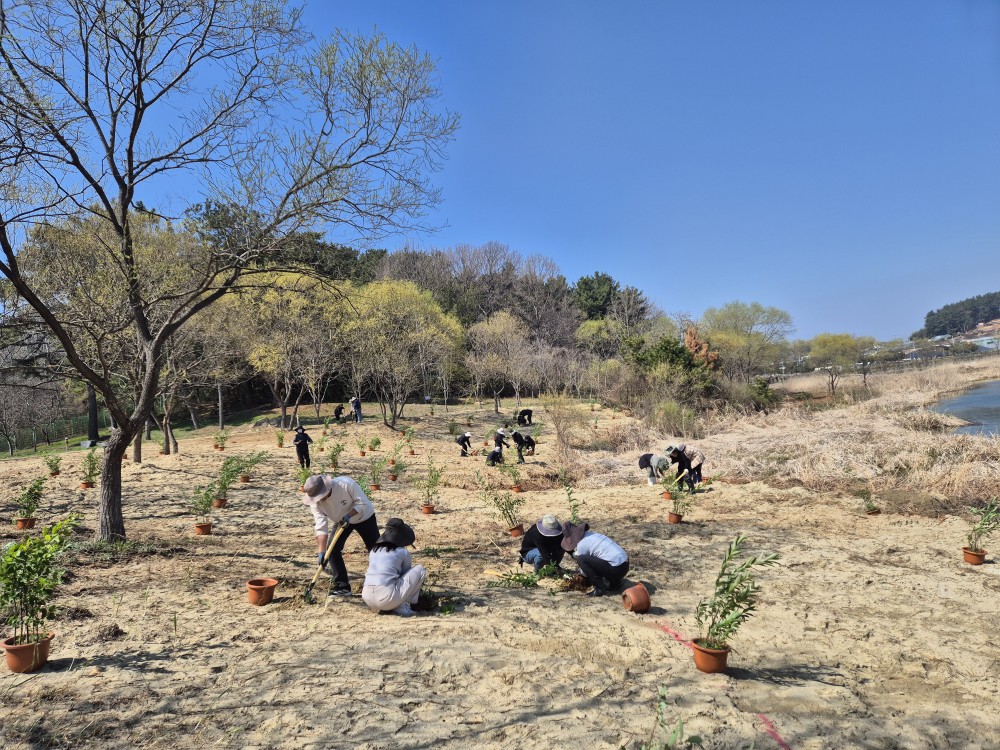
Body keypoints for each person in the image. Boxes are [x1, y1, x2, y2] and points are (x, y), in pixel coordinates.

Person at [302, 474, 379, 597]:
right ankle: (342, 586)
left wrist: (349, 515)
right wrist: (321, 552)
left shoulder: (345, 484)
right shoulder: (315, 502)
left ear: (327, 489)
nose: (320, 499)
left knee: (376, 550)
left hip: (364, 516)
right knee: (331, 551)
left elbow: (363, 503)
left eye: (321, 496)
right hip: (341, 522)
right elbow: (321, 526)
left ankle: (382, 581)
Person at [361, 518, 426, 617]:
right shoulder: (402, 552)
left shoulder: (373, 550)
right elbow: (405, 576)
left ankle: (393, 604)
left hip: (367, 598)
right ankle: (403, 605)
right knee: (420, 569)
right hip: (387, 598)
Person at [561, 522, 630, 597]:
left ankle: (599, 588)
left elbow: (585, 571)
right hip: (625, 564)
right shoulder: (592, 534)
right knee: (602, 557)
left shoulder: (582, 544)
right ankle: (615, 582)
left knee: (581, 559)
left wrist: (580, 575)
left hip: (616, 569)